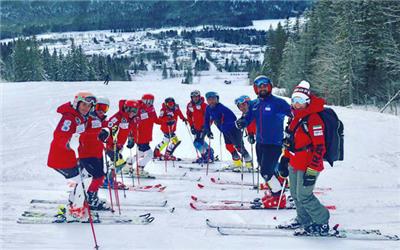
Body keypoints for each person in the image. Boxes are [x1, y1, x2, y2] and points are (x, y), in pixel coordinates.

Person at [277, 80, 330, 236]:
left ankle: (322, 221)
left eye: (300, 101)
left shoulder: (313, 119)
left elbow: (320, 147)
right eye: (294, 100)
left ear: (307, 101)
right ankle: (303, 220)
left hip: (309, 165)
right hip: (294, 162)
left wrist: (312, 170)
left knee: (304, 195)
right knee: (295, 194)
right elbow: (289, 141)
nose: (297, 104)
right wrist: (285, 159)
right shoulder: (294, 117)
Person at [236, 75, 291, 208]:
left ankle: (279, 196)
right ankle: (275, 188)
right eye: (259, 86)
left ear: (270, 87)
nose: (262, 88)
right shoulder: (254, 104)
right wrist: (242, 122)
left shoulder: (279, 103)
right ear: (255, 88)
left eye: (265, 85)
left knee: (266, 172)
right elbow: (248, 118)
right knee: (265, 168)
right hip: (260, 143)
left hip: (274, 143)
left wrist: (291, 130)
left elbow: (294, 115)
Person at [47, 91, 96, 219]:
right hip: (60, 157)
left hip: (69, 156)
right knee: (83, 179)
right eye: (83, 105)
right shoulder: (69, 117)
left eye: (89, 106)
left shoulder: (79, 117)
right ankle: (75, 209)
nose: (86, 108)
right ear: (77, 103)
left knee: (86, 175)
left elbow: (81, 134)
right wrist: (70, 143)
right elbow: (59, 136)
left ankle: (75, 202)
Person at [203, 91, 252, 170]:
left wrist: (222, 125)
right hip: (225, 131)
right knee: (229, 147)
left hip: (234, 130)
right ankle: (237, 162)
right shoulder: (208, 108)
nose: (211, 101)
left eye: (213, 99)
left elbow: (233, 121)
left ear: (217, 99)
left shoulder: (222, 108)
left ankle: (249, 164)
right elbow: (206, 120)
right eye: (209, 99)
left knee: (239, 147)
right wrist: (208, 131)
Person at [78, 96, 110, 210]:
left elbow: (107, 132)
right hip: (87, 153)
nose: (101, 110)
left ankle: (92, 197)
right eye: (98, 107)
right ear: (93, 107)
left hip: (97, 153)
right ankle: (89, 199)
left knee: (99, 176)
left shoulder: (103, 120)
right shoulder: (88, 118)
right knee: (98, 176)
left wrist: (107, 133)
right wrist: (97, 134)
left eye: (104, 108)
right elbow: (82, 133)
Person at [125, 93, 160, 176]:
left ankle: (128, 165)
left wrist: (166, 122)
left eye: (151, 101)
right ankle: (140, 168)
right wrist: (131, 137)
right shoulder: (138, 108)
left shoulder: (151, 108)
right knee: (150, 154)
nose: (149, 103)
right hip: (139, 136)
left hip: (147, 135)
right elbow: (131, 122)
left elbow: (156, 120)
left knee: (140, 153)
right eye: (147, 101)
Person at [105, 99, 140, 169]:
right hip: (112, 146)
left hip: (120, 145)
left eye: (135, 110)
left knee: (116, 165)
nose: (132, 113)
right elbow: (108, 129)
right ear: (125, 108)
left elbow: (132, 130)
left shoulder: (132, 119)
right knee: (119, 164)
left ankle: (110, 177)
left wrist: (132, 139)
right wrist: (111, 145)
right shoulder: (118, 117)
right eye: (130, 110)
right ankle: (107, 176)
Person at [186, 90, 214, 163]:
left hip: (204, 127)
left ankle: (206, 156)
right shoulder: (190, 105)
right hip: (196, 127)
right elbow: (189, 116)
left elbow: (211, 117)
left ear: (199, 97)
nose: (195, 98)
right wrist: (191, 126)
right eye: (193, 97)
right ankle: (209, 151)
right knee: (200, 141)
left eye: (196, 97)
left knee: (197, 143)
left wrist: (207, 126)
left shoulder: (204, 105)